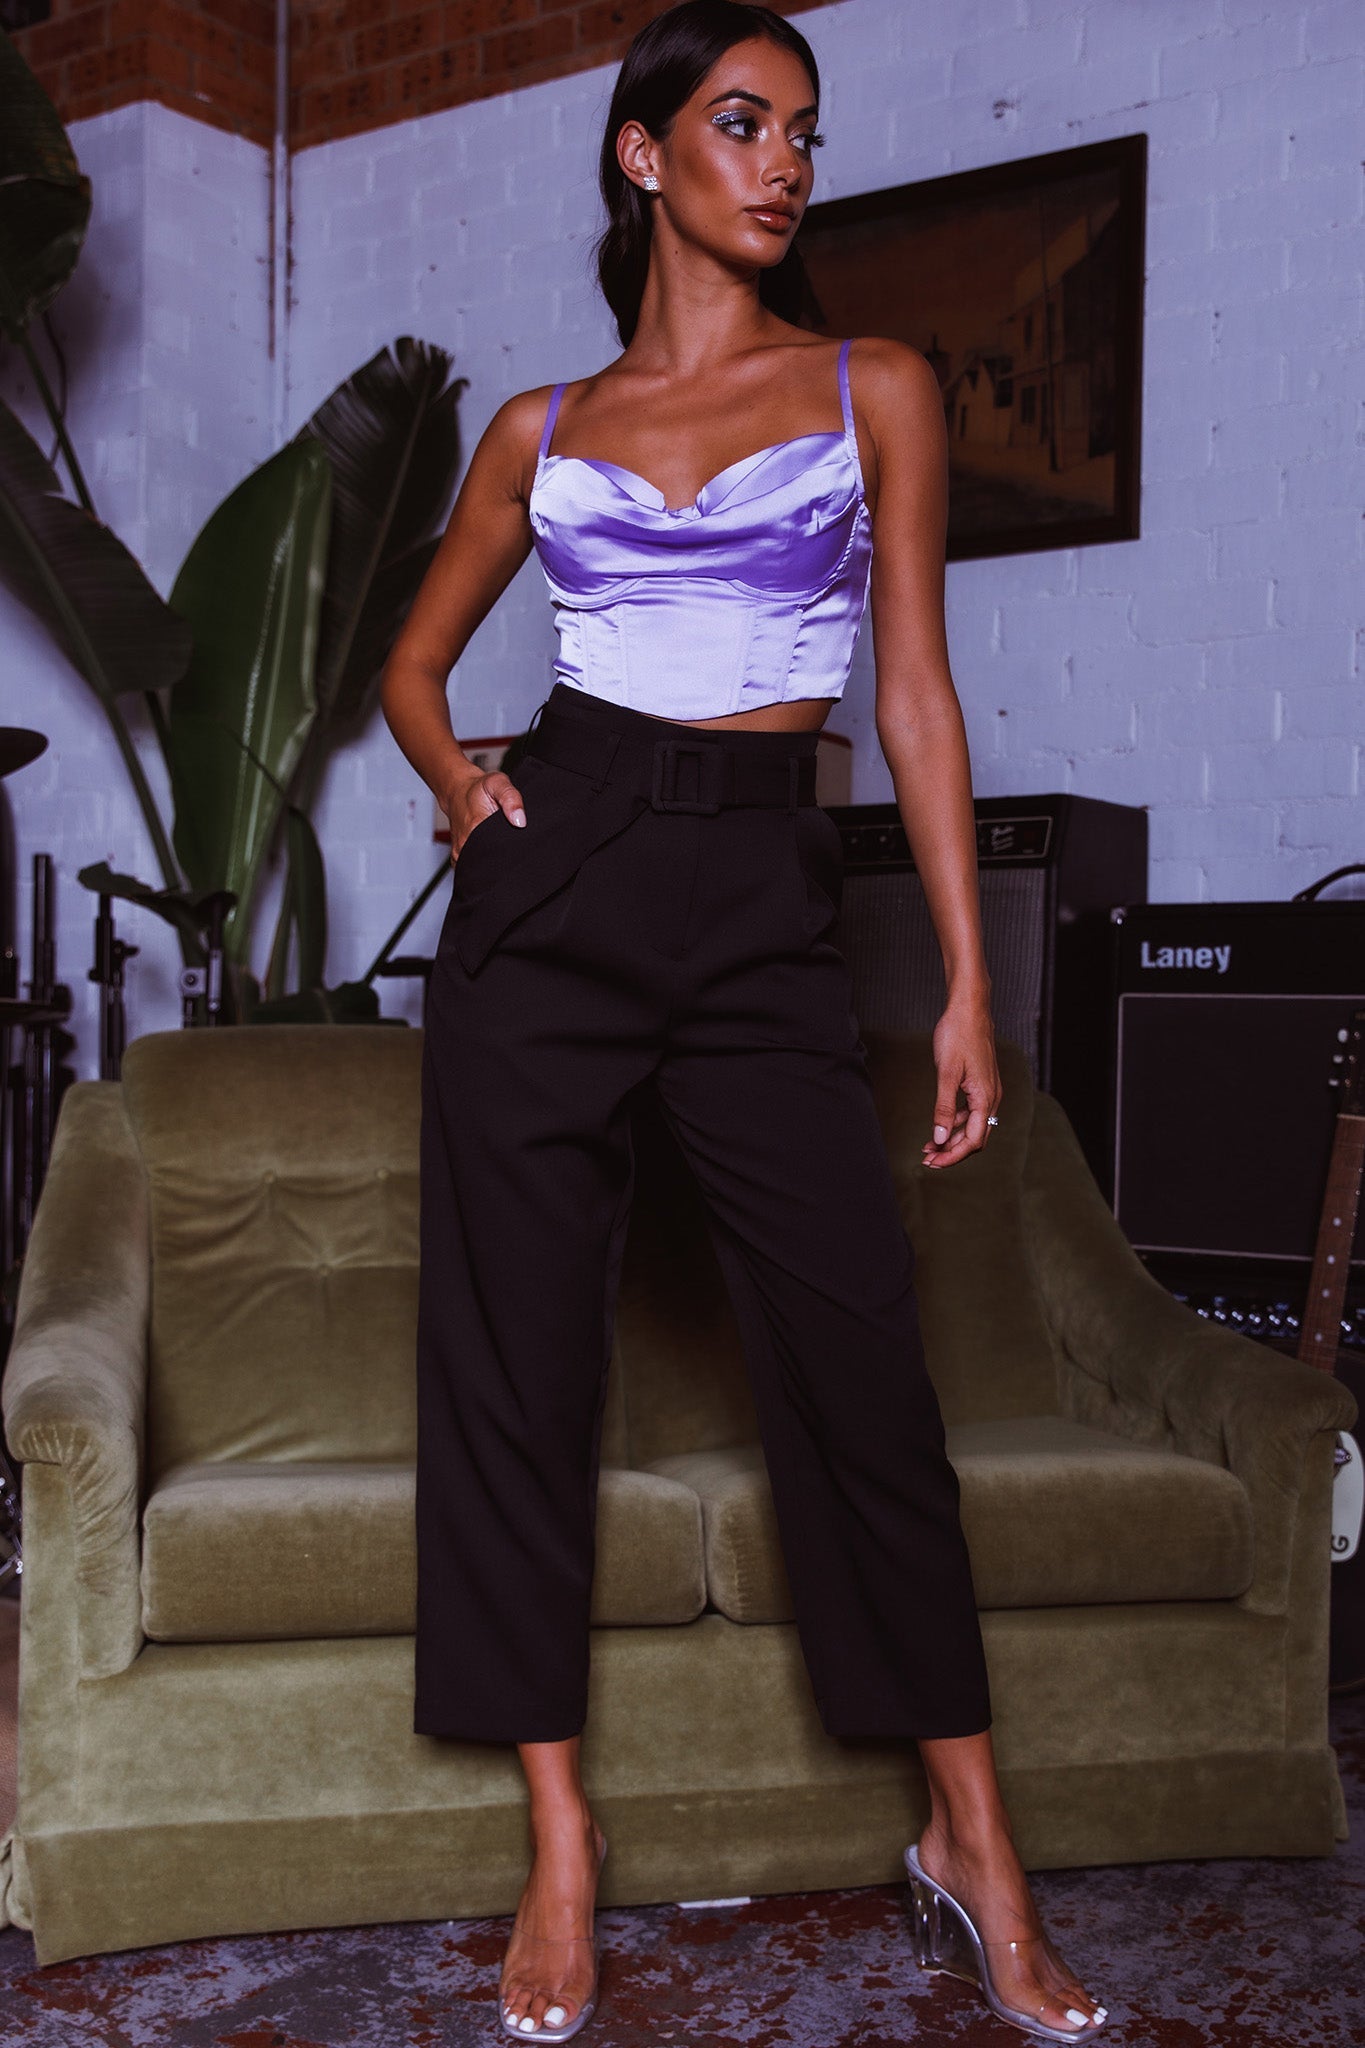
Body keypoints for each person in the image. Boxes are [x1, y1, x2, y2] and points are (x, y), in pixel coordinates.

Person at [380, 3, 1110, 2042]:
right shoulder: (538, 427)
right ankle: (560, 1837)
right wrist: (464, 788)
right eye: (737, 122)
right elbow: (413, 671)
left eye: (800, 131)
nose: (781, 162)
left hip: (766, 901)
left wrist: (963, 979)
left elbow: (910, 694)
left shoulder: (873, 385)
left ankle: (972, 1841)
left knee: (859, 1366)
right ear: (643, 154)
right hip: (559, 887)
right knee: (514, 1362)